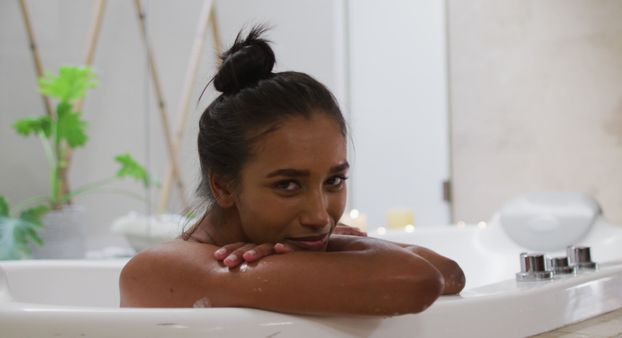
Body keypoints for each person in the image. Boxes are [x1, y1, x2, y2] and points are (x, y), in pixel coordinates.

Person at [119, 25, 465, 315]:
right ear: (223, 186)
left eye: (334, 180)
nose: (318, 216)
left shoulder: (284, 249)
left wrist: (338, 244)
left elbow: (450, 273)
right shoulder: (160, 270)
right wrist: (341, 248)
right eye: (287, 185)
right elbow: (421, 281)